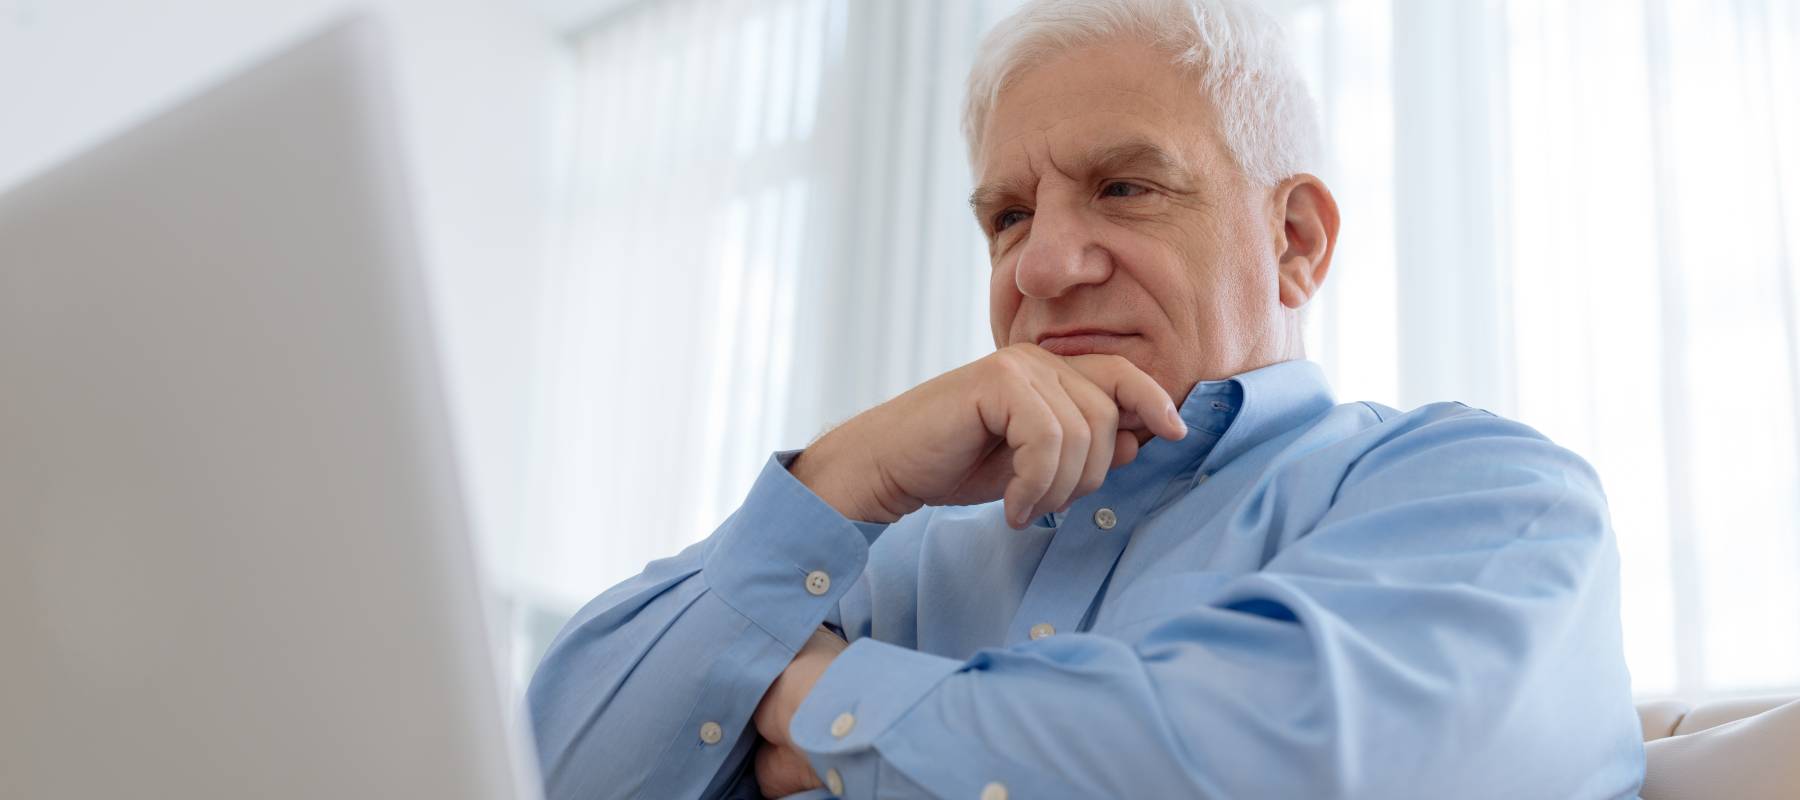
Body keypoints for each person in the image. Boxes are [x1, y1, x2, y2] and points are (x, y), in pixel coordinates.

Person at [526, 0, 1646, 796]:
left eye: (1125, 186)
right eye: (1008, 214)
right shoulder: (898, 554)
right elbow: (543, 769)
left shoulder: (1488, 492)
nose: (1044, 265)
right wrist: (839, 477)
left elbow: (1302, 766)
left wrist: (815, 692)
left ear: (1294, 240)